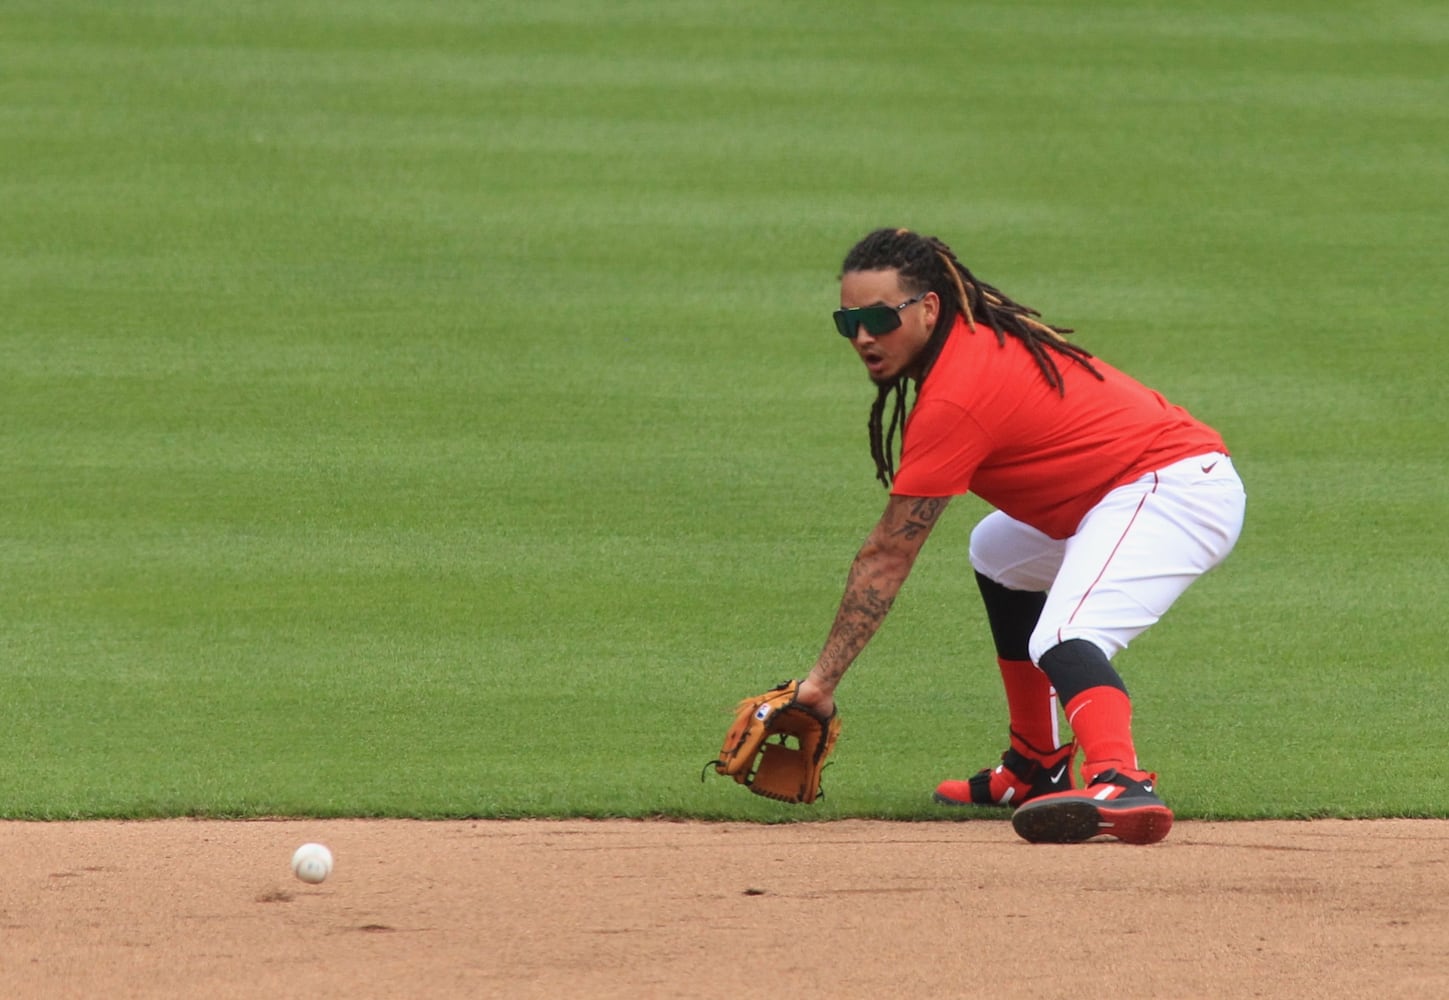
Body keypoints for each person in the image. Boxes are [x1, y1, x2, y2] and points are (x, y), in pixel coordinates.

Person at [791, 228, 1246, 845]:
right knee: (999, 552)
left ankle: (1122, 779)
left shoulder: (957, 395)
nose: (866, 336)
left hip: (1172, 492)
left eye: (879, 318)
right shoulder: (964, 343)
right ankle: (1035, 763)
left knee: (1063, 634)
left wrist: (818, 685)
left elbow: (888, 555)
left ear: (929, 308)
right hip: (1120, 491)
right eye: (850, 322)